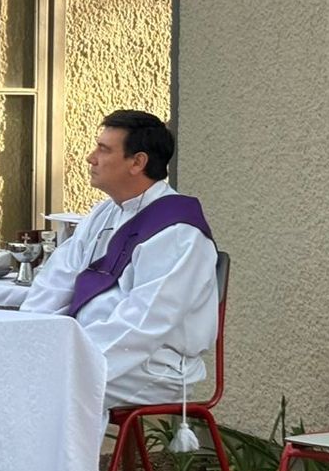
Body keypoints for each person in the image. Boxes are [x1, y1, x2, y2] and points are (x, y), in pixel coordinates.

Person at [21, 111, 218, 410]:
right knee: (13, 371)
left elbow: (146, 321)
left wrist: (78, 360)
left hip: (151, 363)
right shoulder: (104, 213)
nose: (91, 158)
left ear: (137, 162)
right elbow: (57, 280)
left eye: (103, 149)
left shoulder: (178, 232)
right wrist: (28, 336)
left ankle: (57, 459)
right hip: (86, 346)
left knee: (44, 388)